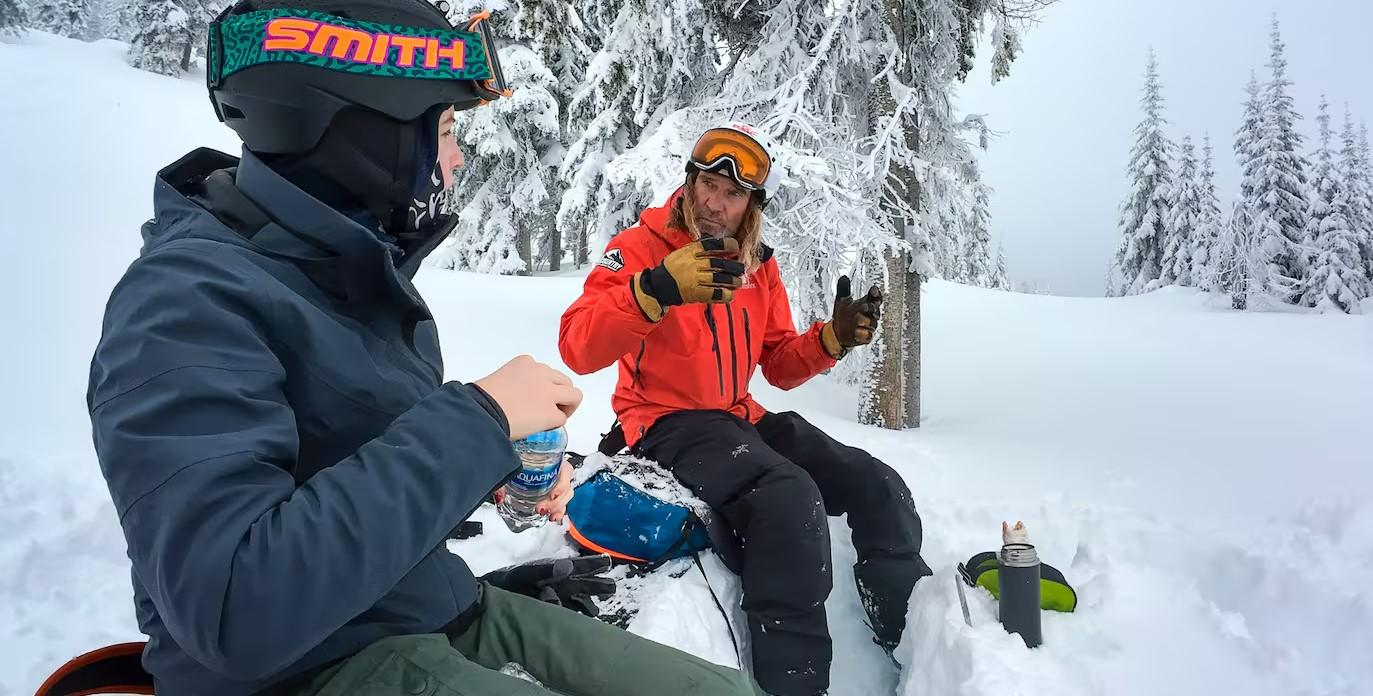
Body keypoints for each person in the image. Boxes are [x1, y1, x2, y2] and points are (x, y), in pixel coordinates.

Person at [85, 1, 754, 694]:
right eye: (444, 130)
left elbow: (346, 459)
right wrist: (478, 423)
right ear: (365, 137)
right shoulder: (182, 306)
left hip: (422, 608)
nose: (457, 160)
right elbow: (233, 608)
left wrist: (493, 467)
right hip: (304, 671)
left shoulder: (340, 272)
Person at [558, 124, 934, 696]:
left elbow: (779, 362)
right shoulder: (638, 250)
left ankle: (911, 634)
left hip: (739, 417)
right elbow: (577, 346)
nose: (715, 203)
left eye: (732, 194)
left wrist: (831, 339)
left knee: (875, 482)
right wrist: (655, 290)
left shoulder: (757, 266)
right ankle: (794, 685)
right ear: (689, 183)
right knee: (788, 497)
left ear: (751, 205)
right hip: (663, 422)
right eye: (708, 185)